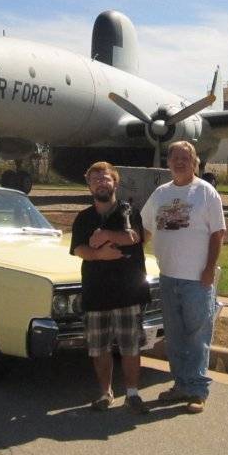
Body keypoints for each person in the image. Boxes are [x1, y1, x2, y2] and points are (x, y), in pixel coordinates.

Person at [140, 141, 225, 414]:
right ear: (168, 162)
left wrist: (209, 269)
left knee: (197, 336)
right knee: (175, 337)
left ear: (195, 162)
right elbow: (145, 230)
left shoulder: (206, 192)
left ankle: (198, 390)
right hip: (168, 277)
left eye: (185, 158)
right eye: (174, 157)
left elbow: (218, 233)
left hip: (197, 279)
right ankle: (181, 385)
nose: (179, 162)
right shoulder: (160, 193)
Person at [70, 162, 151, 414]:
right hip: (96, 292)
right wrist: (99, 255)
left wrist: (105, 235)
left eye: (105, 178)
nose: (101, 183)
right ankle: (105, 393)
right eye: (95, 180)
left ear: (115, 182)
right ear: (89, 186)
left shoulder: (129, 212)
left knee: (130, 346)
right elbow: (79, 248)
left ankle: (133, 394)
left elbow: (134, 237)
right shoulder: (83, 218)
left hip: (128, 292)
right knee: (99, 348)